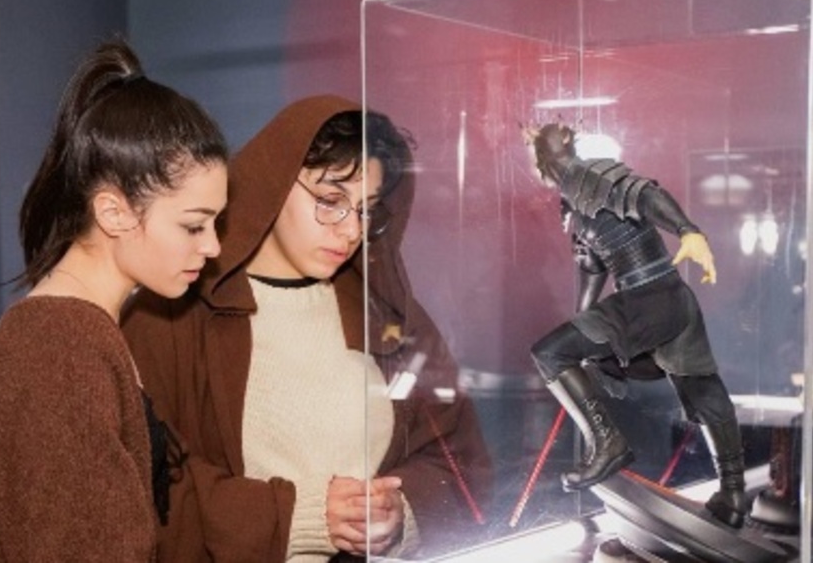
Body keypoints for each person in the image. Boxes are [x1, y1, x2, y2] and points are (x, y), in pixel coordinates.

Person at [122, 94, 492, 562]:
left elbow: (462, 460)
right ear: (273, 183)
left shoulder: (388, 313)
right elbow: (143, 486)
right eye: (331, 200)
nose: (350, 229)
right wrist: (303, 518)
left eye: (366, 209)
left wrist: (403, 511)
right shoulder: (171, 315)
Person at [0, 39, 229, 562]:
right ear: (114, 213)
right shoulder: (63, 346)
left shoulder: (66, 328)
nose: (212, 246)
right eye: (193, 224)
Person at [527, 123, 746, 528]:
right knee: (702, 387)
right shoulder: (575, 200)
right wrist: (583, 330)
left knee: (549, 352)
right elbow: (591, 268)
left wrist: (688, 231)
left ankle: (607, 443)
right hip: (671, 297)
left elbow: (646, 194)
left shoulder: (590, 174)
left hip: (648, 297)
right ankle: (733, 495)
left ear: (541, 161)